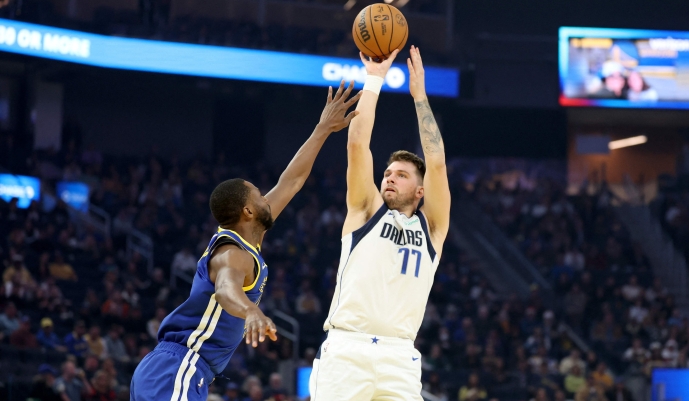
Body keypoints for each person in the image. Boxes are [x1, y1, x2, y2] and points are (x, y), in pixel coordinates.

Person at [130, 80, 362, 401]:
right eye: (259, 193)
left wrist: (322, 129)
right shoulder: (232, 252)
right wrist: (251, 311)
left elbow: (291, 181)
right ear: (249, 210)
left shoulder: (249, 236)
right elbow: (227, 290)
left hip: (180, 370)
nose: (269, 197)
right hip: (179, 366)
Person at [310, 46, 451, 400]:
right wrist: (374, 78)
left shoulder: (432, 227)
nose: (389, 178)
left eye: (401, 175)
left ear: (420, 191)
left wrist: (419, 97)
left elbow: (436, 163)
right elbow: (357, 143)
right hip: (347, 349)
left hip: (400, 355)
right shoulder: (365, 210)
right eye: (387, 173)